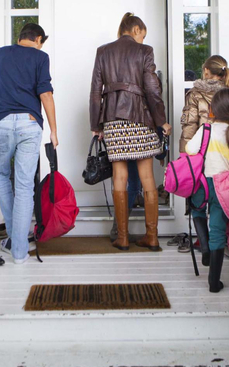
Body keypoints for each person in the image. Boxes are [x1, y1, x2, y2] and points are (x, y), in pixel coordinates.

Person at [90, 12, 171, 251]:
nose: (143, 40)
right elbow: (153, 89)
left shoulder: (103, 51)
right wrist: (161, 120)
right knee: (147, 179)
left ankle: (123, 237)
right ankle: (152, 237)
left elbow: (95, 91)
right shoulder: (144, 52)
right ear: (135, 29)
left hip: (113, 121)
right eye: (143, 35)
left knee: (120, 178)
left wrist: (96, 125)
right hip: (140, 119)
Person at [0, 23, 58, 264]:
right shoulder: (40, 57)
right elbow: (45, 94)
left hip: (4, 122)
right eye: (41, 42)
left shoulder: (2, 53)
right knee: (25, 186)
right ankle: (19, 251)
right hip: (29, 124)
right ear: (37, 39)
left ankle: (14, 235)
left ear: (20, 38)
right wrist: (53, 131)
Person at [185, 88, 229, 293]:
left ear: (212, 110)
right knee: (217, 228)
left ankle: (204, 247)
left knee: (197, 211)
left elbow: (190, 150)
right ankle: (214, 283)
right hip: (226, 188)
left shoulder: (206, 130)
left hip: (203, 183)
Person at [180, 55, 229, 257]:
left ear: (207, 72)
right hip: (225, 160)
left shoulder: (195, 94)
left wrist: (185, 156)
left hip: (200, 156)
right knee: (221, 204)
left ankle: (203, 241)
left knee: (198, 202)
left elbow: (189, 127)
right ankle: (222, 240)